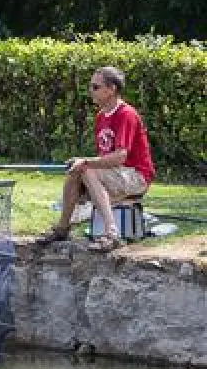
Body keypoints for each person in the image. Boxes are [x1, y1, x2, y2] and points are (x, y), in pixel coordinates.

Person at [37, 66, 155, 252]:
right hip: (117, 175)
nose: (90, 91)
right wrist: (82, 164)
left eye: (95, 87)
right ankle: (62, 228)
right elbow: (104, 159)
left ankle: (111, 234)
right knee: (76, 172)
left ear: (111, 89)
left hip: (137, 176)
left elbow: (120, 157)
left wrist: (85, 162)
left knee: (86, 168)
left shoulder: (126, 114)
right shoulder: (101, 117)